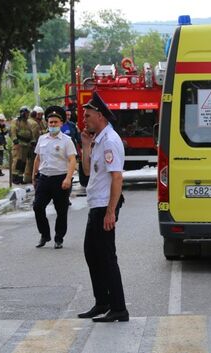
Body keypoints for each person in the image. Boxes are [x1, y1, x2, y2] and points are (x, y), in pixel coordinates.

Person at [77, 92, 129, 323]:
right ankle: (102, 302)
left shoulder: (109, 141)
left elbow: (117, 178)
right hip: (96, 205)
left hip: (104, 206)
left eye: (88, 115)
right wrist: (86, 146)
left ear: (100, 116)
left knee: (107, 257)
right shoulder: (98, 139)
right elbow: (88, 172)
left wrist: (111, 211)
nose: (84, 119)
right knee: (92, 254)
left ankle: (119, 308)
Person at [32, 106, 77, 249]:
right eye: (50, 122)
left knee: (61, 211)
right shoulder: (42, 139)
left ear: (61, 123)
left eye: (55, 122)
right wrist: (34, 176)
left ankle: (59, 238)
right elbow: (38, 158)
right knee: (38, 207)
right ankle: (44, 235)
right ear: (47, 123)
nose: (52, 125)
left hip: (60, 179)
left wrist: (68, 178)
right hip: (44, 178)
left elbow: (72, 160)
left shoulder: (67, 140)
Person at [10, 106, 35, 184]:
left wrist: (33, 141)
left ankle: (20, 178)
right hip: (18, 144)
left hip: (26, 145)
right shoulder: (16, 121)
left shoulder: (28, 123)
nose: (28, 115)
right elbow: (13, 130)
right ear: (22, 113)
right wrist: (15, 139)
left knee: (23, 162)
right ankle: (14, 178)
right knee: (17, 161)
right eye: (27, 113)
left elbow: (31, 133)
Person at [24, 107, 45, 184]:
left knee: (31, 162)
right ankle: (29, 179)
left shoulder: (39, 122)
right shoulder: (33, 123)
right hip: (33, 145)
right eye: (39, 114)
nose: (40, 116)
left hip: (33, 144)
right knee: (31, 162)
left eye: (41, 114)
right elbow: (35, 135)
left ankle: (28, 178)